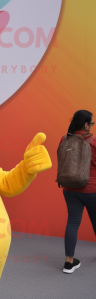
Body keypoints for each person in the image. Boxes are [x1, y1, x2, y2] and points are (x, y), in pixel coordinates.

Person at [59, 110, 96, 274]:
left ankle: (69, 263)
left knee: (72, 222)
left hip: (69, 188)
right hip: (91, 190)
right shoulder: (93, 142)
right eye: (92, 123)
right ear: (87, 125)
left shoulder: (64, 139)